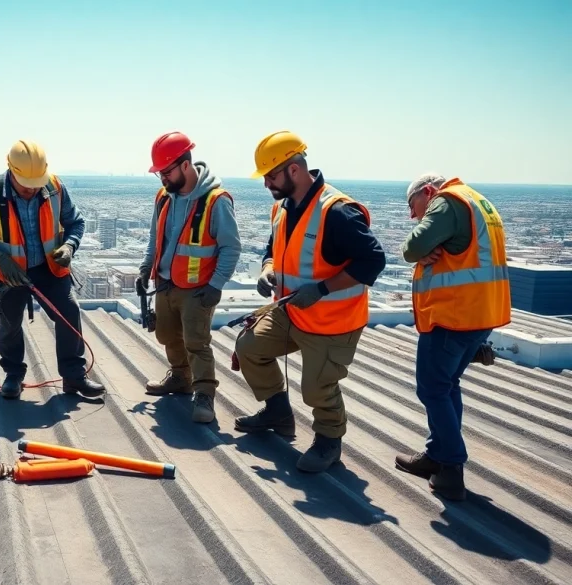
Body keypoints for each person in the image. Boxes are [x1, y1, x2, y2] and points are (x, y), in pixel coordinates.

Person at [233, 131, 386, 473]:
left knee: (317, 388)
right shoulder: (282, 207)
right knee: (249, 346)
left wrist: (323, 289)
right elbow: (273, 248)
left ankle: (329, 442)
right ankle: (277, 412)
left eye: (271, 176)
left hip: (333, 320)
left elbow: (373, 261)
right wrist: (267, 269)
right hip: (292, 311)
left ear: (294, 171)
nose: (266, 184)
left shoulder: (337, 212)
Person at [0, 140, 105, 399]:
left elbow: (76, 223)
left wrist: (70, 247)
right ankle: (13, 375)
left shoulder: (55, 188)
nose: (31, 191)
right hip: (8, 273)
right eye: (26, 186)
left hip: (48, 268)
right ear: (11, 171)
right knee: (10, 322)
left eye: (36, 185)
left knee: (68, 311)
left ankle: (73, 376)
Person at [394, 173, 510, 501]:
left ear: (428, 192)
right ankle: (437, 455)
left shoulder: (446, 201)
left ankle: (451, 467)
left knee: (431, 388)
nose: (413, 215)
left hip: (453, 316)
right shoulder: (478, 202)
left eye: (413, 206)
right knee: (446, 386)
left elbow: (412, 247)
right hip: (480, 315)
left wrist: (418, 250)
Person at [136, 132, 241, 424]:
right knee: (167, 335)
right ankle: (181, 377)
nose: (162, 179)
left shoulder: (215, 201)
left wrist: (216, 286)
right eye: (159, 174)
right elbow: (155, 239)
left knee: (197, 342)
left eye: (166, 172)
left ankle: (204, 393)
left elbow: (231, 247)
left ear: (185, 165)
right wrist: (146, 269)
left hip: (198, 289)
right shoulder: (163, 197)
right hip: (166, 283)